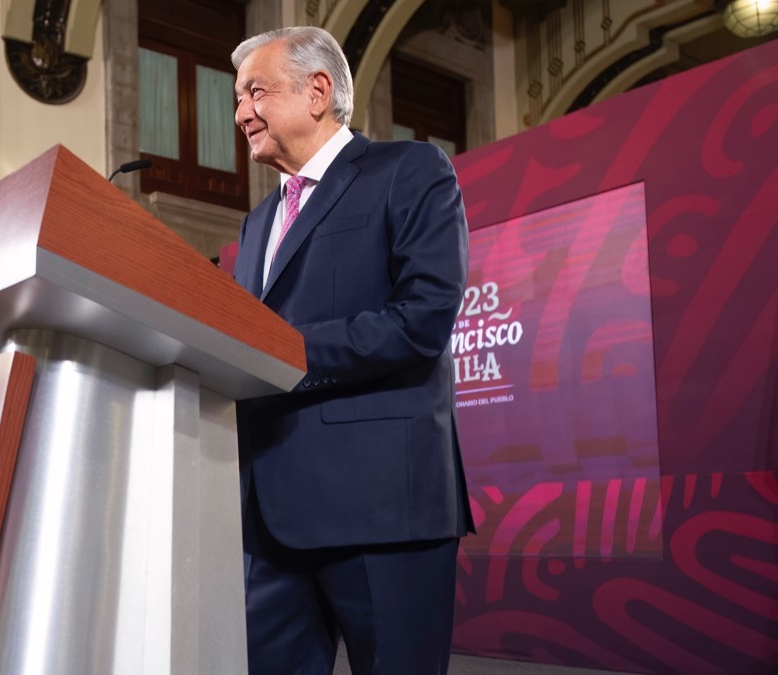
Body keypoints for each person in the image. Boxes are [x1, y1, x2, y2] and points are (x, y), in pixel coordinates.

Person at [230, 26, 474, 675]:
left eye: (255, 91)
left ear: (317, 92)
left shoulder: (410, 171)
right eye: (237, 98)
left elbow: (421, 320)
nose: (240, 113)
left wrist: (277, 348)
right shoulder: (255, 223)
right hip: (270, 524)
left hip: (382, 510)